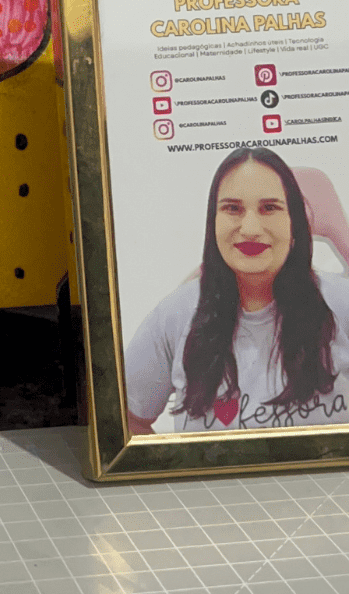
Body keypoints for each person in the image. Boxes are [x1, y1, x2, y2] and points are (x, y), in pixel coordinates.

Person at [125, 145, 349, 433]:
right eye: (233, 208)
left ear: (294, 222)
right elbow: (126, 418)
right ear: (213, 222)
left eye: (269, 208)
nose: (251, 228)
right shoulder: (174, 314)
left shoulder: (342, 302)